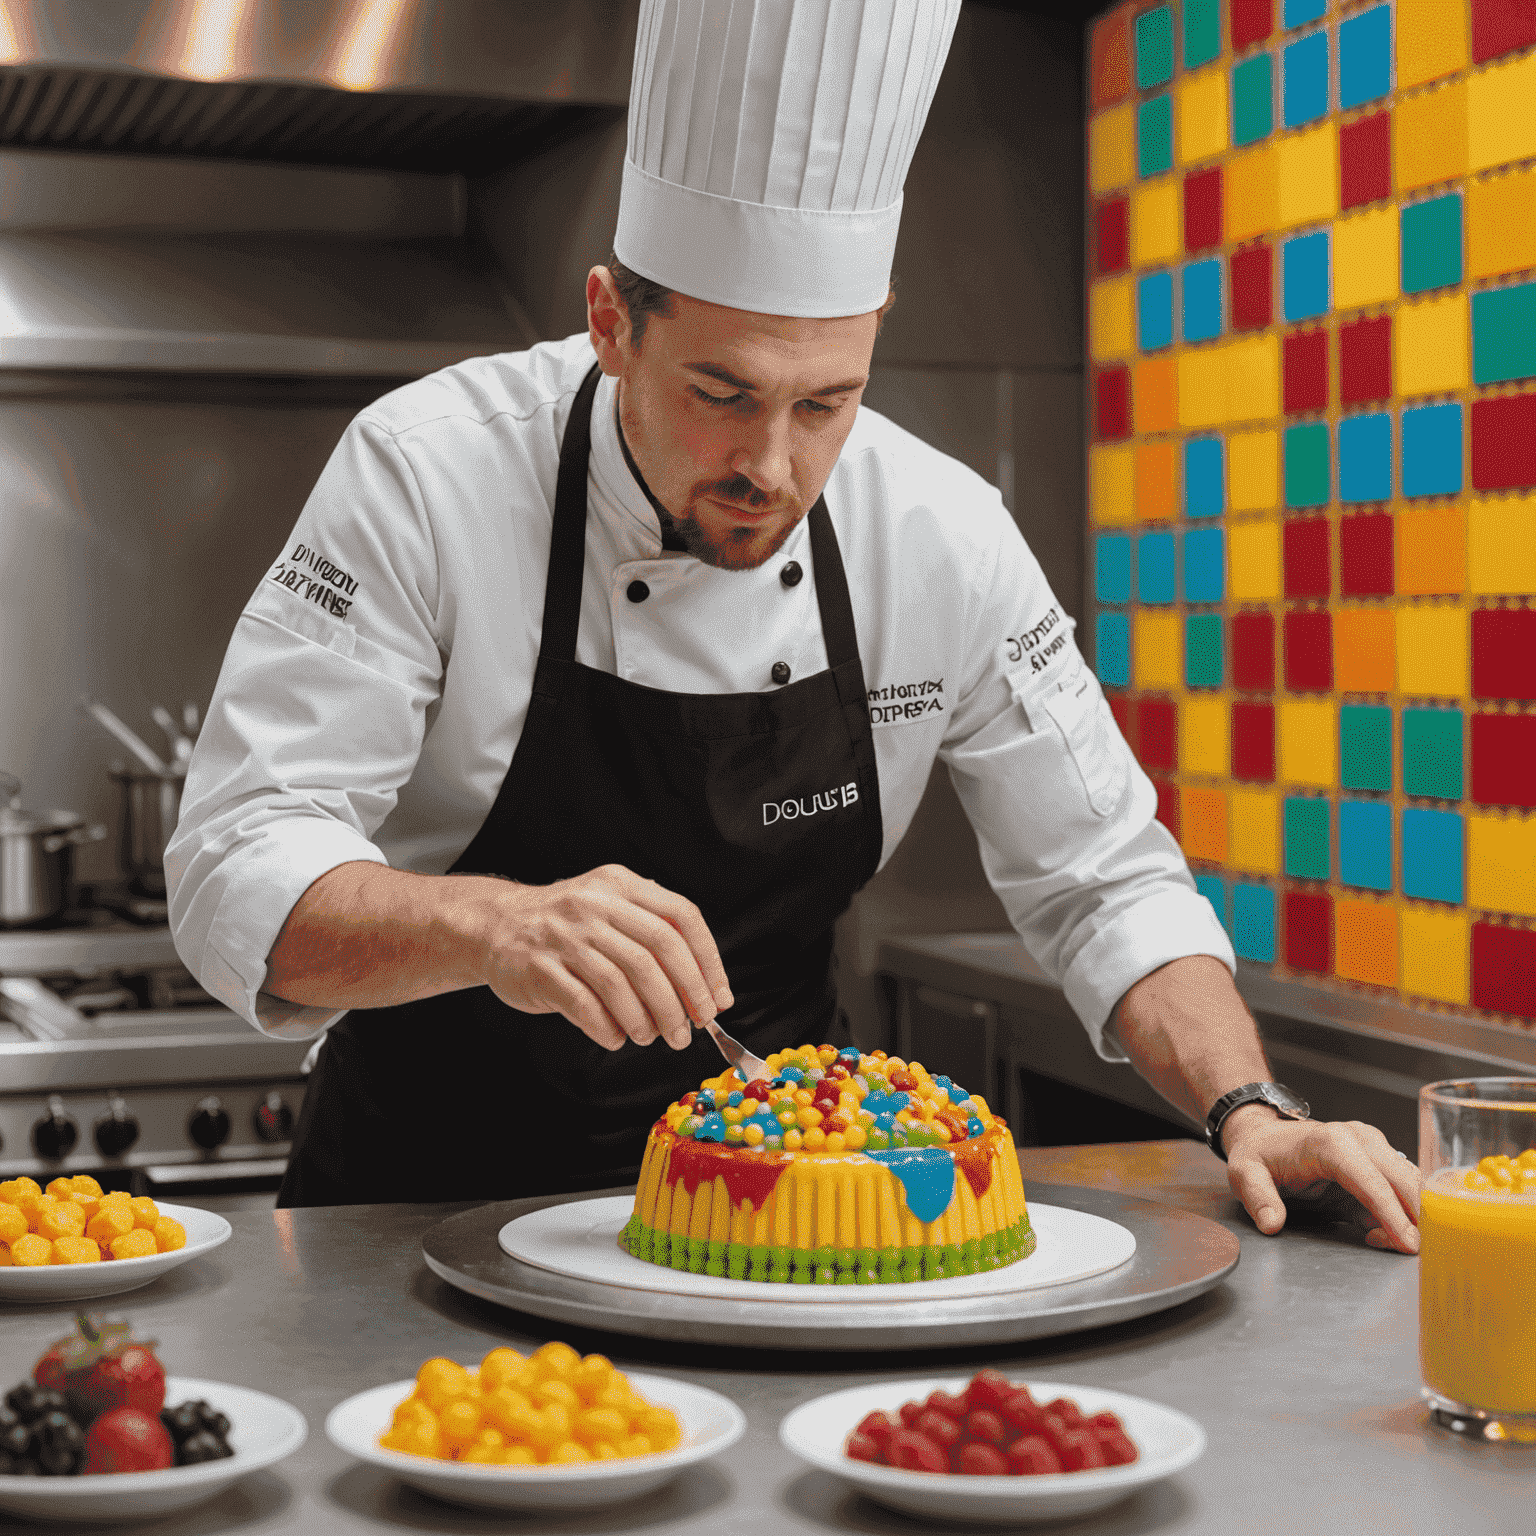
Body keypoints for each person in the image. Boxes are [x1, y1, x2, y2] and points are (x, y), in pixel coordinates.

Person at [167, 0, 1419, 1251]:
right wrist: (498, 925)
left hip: (795, 1220)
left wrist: (1248, 1110)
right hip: (413, 1217)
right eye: (723, 393)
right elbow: (237, 859)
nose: (772, 464)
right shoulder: (427, 473)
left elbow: (1104, 881)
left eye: (827, 403)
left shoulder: (940, 531)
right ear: (611, 323)